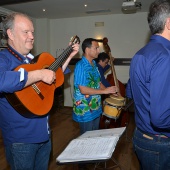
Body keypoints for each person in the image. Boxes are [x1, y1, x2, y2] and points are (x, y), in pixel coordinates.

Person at [0, 12, 79, 170]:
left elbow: (54, 75)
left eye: (32, 32)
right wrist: (38, 74)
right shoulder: (4, 58)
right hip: (21, 141)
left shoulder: (30, 59)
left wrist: (68, 56)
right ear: (10, 34)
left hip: (44, 135)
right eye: (26, 32)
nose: (31, 36)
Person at [126, 0, 170, 169]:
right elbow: (160, 118)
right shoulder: (165, 56)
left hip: (141, 136)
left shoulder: (140, 54)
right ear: (168, 23)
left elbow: (130, 91)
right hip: (159, 144)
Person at [72, 38, 118, 135]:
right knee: (86, 138)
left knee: (94, 136)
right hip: (85, 110)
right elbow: (83, 90)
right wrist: (104, 92)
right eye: (96, 48)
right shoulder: (81, 66)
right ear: (87, 50)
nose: (99, 51)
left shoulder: (94, 64)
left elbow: (98, 83)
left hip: (96, 107)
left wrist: (108, 90)